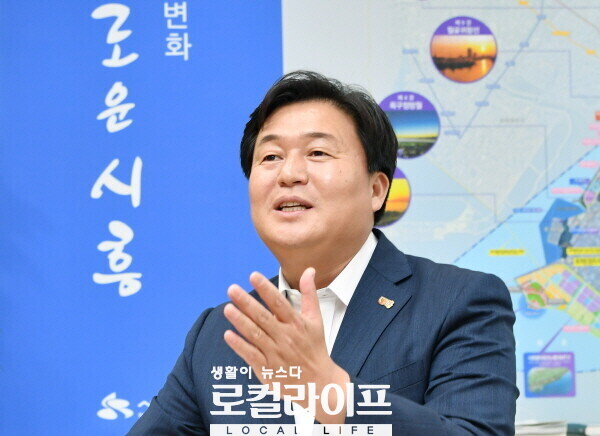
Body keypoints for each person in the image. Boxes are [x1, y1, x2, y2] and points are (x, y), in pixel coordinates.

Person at [128, 71, 518, 435]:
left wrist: (330, 392)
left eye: (317, 153)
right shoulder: (219, 334)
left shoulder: (457, 301)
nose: (289, 174)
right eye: (271, 157)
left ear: (376, 190)